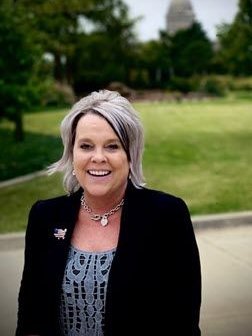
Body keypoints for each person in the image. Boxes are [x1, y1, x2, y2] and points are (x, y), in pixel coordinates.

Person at [16, 89, 201, 336]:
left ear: (130, 155)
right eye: (86, 146)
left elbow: (183, 323)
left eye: (112, 146)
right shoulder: (44, 217)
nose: (98, 157)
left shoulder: (167, 216)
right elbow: (31, 317)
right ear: (72, 153)